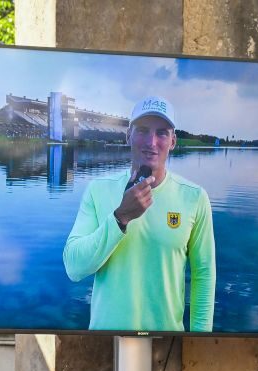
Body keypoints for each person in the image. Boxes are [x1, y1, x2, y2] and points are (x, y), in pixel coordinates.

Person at [63, 96, 215, 332]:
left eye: (162, 133)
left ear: (173, 141)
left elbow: (203, 275)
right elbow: (74, 267)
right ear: (128, 136)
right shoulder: (98, 190)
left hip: (168, 344)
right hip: (105, 343)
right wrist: (120, 218)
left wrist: (199, 343)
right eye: (143, 130)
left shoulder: (194, 197)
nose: (151, 142)